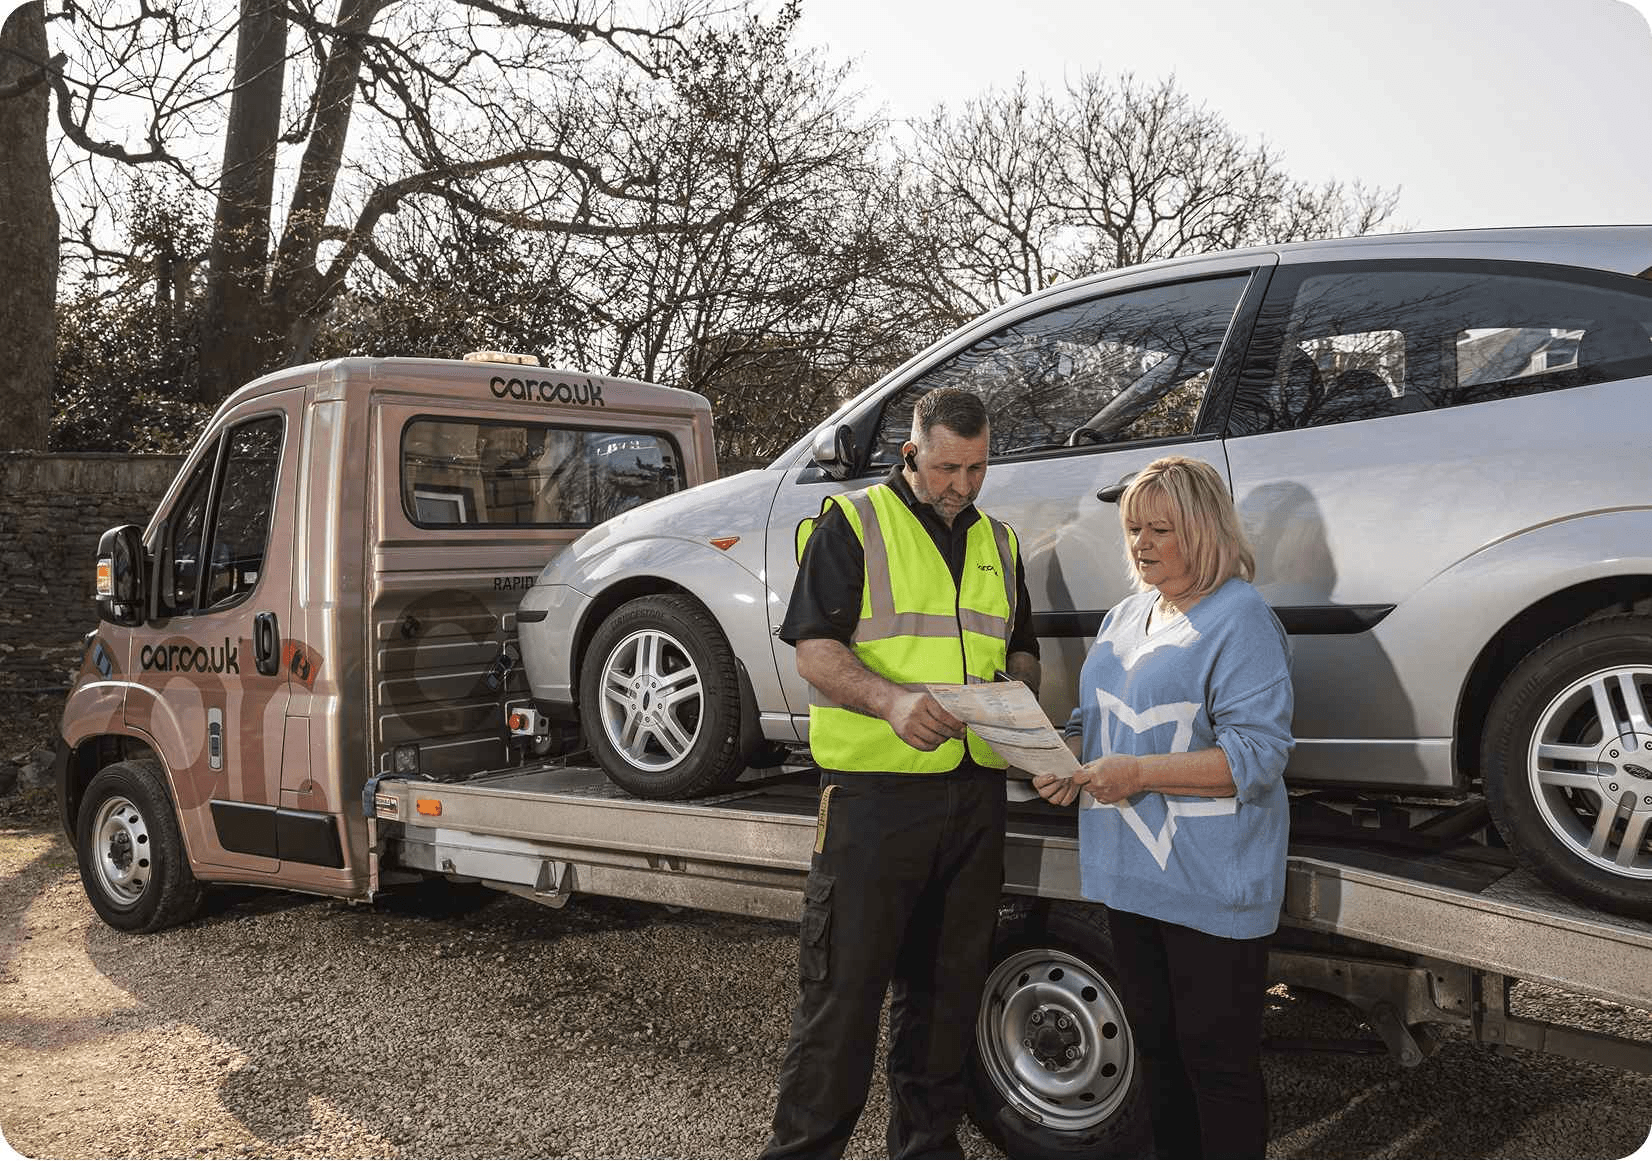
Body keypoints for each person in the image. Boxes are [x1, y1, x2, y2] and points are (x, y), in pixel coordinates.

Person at [763, 387, 1041, 1159]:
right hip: (874, 800)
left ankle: (924, 1150)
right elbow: (814, 650)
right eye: (949, 466)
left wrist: (1014, 695)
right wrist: (889, 701)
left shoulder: (1001, 541)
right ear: (912, 449)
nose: (963, 483)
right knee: (840, 1005)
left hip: (975, 795)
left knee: (946, 1003)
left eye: (978, 467)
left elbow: (1022, 645)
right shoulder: (852, 524)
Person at [1033, 455, 1293, 1160]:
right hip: (1132, 876)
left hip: (1211, 882)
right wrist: (1061, 755)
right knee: (1157, 1054)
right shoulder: (1126, 613)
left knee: (1218, 1066)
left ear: (1204, 530)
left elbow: (1257, 757)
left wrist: (1138, 772)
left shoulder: (1242, 619)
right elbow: (1099, 718)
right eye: (1133, 529)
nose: (1141, 543)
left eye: (1160, 529)